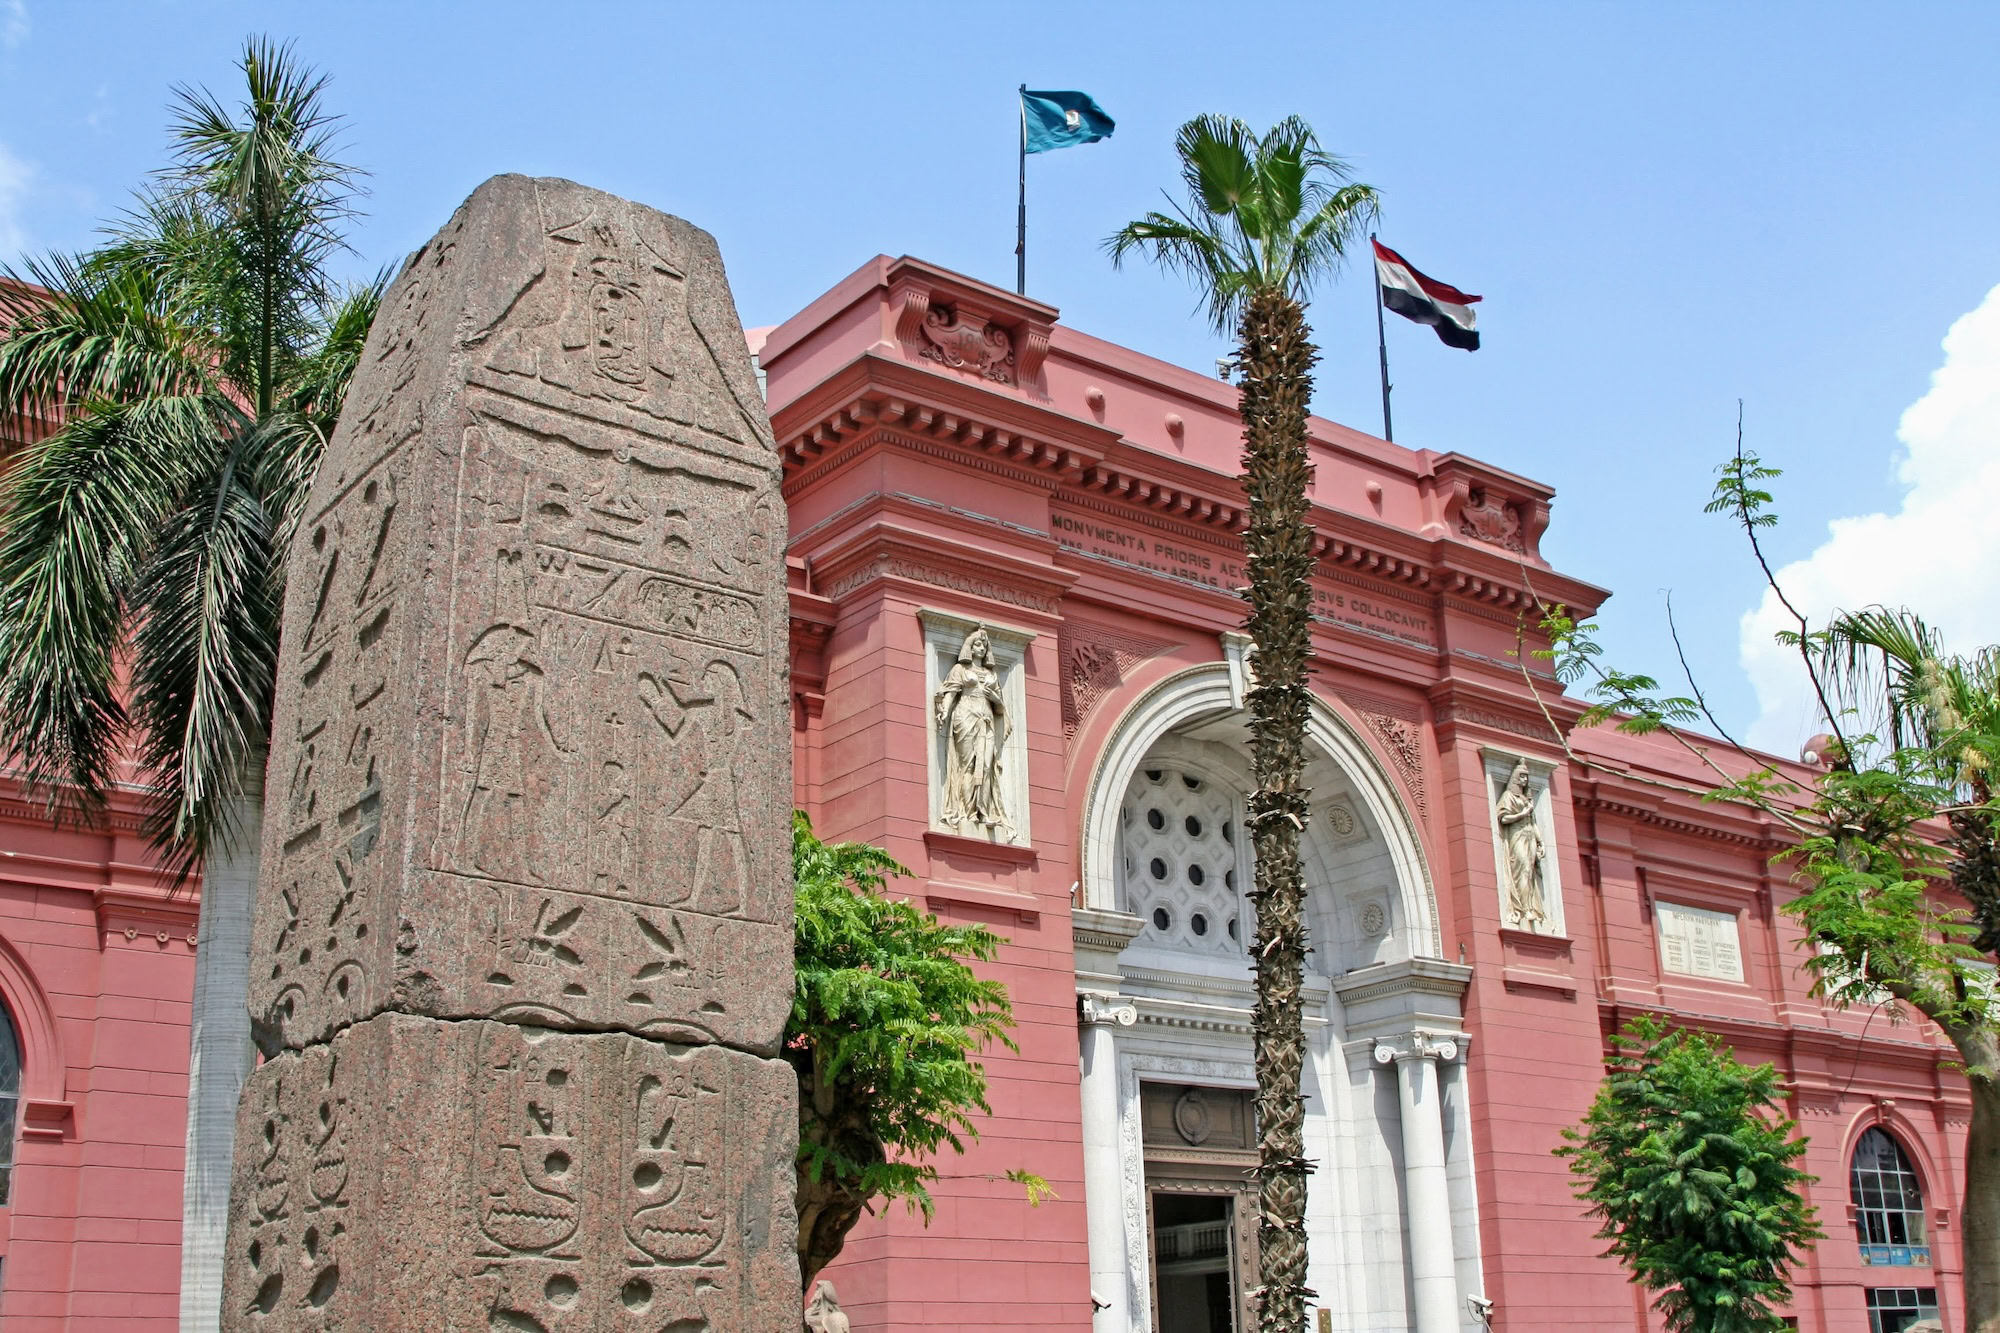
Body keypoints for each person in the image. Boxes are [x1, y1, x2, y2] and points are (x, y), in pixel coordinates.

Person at [933, 627, 1013, 839]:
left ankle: (983, 812)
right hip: (965, 715)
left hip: (985, 717)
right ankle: (967, 812)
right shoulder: (960, 669)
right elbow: (951, 693)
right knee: (967, 765)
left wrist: (994, 698)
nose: (981, 648)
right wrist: (944, 711)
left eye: (984, 645)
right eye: (977, 644)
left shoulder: (991, 675)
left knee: (986, 766)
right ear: (969, 647)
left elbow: (999, 709)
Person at [1496, 760, 1547, 931]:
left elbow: (1532, 823)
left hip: (1529, 836)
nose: (1524, 780)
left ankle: (1531, 908)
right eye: (1522, 776)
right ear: (1515, 778)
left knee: (1530, 872)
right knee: (1522, 868)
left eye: (1526, 777)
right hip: (1516, 835)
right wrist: (1522, 813)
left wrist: (1540, 842)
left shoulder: (1526, 799)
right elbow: (1503, 818)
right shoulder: (1508, 797)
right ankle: (1523, 908)